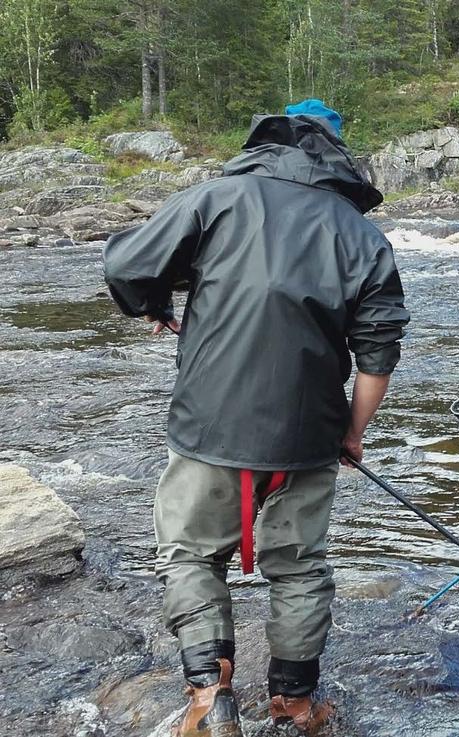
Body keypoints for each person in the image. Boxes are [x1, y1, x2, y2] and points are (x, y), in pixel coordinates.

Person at [103, 99, 409, 737]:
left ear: (268, 140)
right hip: (310, 435)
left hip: (208, 426)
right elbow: (378, 351)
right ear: (336, 154)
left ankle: (208, 698)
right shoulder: (360, 233)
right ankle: (294, 703)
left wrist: (156, 303)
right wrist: (352, 433)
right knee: (299, 566)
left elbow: (126, 267)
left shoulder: (217, 198)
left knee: (189, 553)